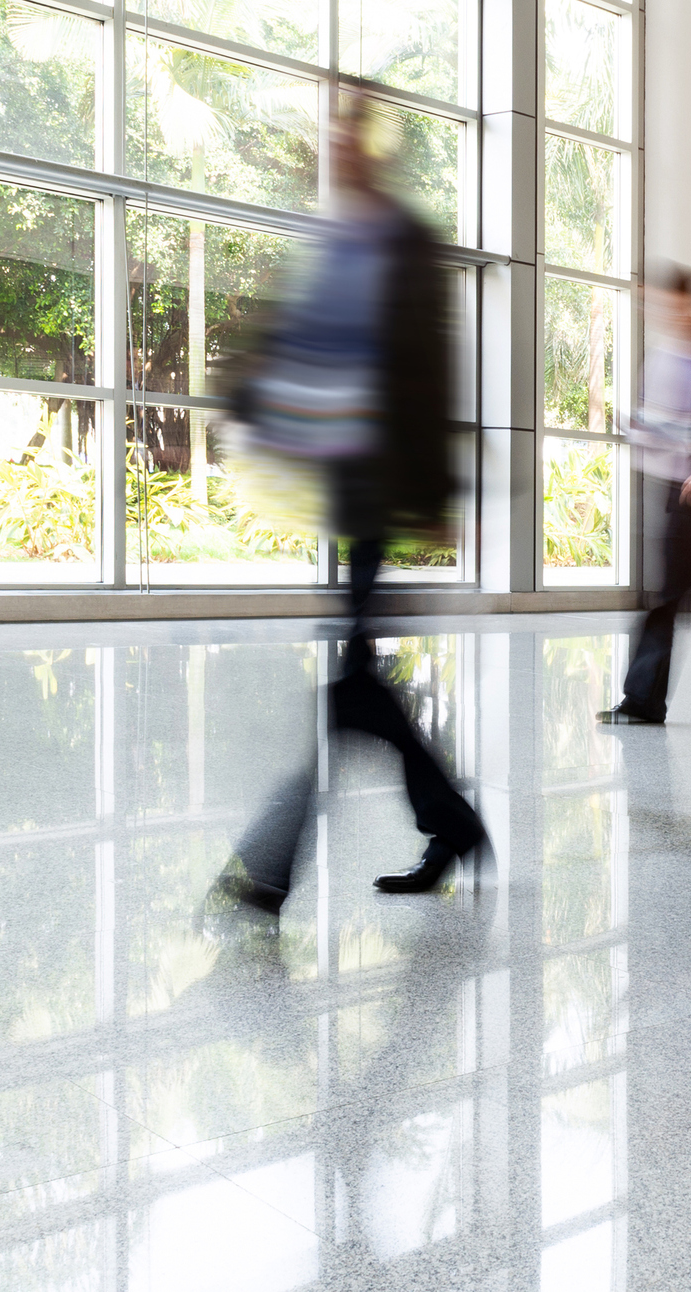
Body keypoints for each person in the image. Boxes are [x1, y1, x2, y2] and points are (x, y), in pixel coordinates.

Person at [215, 100, 484, 904]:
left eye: (345, 138)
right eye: (326, 139)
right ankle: (455, 827)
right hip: (346, 479)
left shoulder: (404, 242)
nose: (332, 151)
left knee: (347, 695)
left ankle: (270, 868)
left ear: (372, 150)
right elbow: (300, 338)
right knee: (360, 690)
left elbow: (432, 369)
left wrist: (435, 491)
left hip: (378, 482)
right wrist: (244, 392)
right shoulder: (337, 240)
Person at [597, 269, 691, 725]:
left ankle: (642, 701)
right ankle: (646, 702)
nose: (657, 309)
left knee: (670, 597)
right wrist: (636, 424)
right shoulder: (661, 352)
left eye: (664, 300)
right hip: (667, 486)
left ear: (686, 301)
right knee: (677, 596)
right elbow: (655, 416)